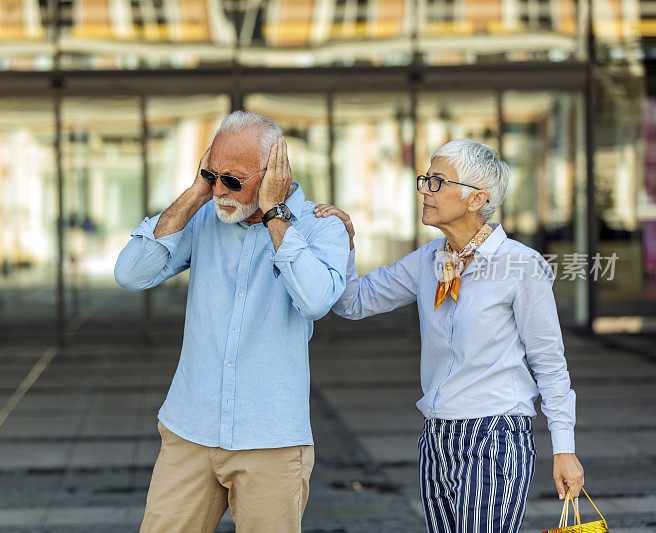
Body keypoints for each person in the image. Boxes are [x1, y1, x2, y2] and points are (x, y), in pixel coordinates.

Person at [314, 138, 584, 532]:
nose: (424, 189)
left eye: (437, 181)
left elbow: (549, 362)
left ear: (477, 199)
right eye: (425, 179)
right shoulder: (429, 260)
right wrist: (343, 241)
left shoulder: (520, 265)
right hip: (437, 437)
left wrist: (565, 450)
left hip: (495, 434)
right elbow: (354, 303)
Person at [115, 111, 350, 533]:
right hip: (190, 427)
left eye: (233, 180)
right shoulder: (205, 215)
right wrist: (194, 192)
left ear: (274, 173)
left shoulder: (322, 227)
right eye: (212, 174)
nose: (220, 190)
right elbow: (131, 274)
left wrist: (277, 214)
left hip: (271, 439)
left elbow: (315, 301)